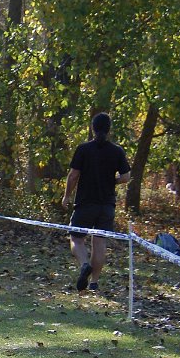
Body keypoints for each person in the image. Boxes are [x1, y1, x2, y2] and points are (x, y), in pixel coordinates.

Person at [61, 112, 131, 292]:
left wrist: (66, 196)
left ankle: (85, 264)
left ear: (93, 128)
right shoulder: (117, 151)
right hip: (107, 205)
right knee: (99, 243)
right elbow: (126, 177)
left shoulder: (83, 149)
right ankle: (94, 283)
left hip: (85, 203)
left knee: (76, 238)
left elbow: (73, 175)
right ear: (109, 130)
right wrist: (112, 181)